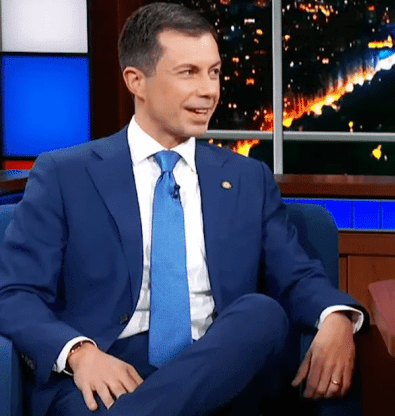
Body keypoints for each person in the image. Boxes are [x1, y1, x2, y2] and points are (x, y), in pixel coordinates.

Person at [0, 3, 365, 416]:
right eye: (188, 72)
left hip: (221, 364)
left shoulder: (248, 178)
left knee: (262, 313)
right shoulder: (65, 174)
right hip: (108, 370)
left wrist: (336, 317)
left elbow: (297, 276)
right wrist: (80, 354)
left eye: (214, 72)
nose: (209, 91)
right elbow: (15, 293)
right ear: (136, 81)